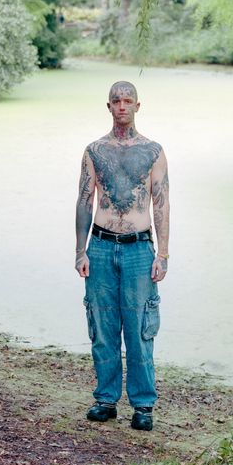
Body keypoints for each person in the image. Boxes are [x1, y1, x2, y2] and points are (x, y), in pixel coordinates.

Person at [75, 80, 170, 431]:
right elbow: (85, 200)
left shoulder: (153, 151)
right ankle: (106, 399)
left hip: (138, 249)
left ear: (137, 106)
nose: (122, 106)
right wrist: (80, 250)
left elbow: (161, 203)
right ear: (109, 106)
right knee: (102, 328)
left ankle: (143, 405)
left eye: (128, 101)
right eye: (116, 101)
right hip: (100, 246)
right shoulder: (94, 150)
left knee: (140, 329)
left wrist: (163, 254)